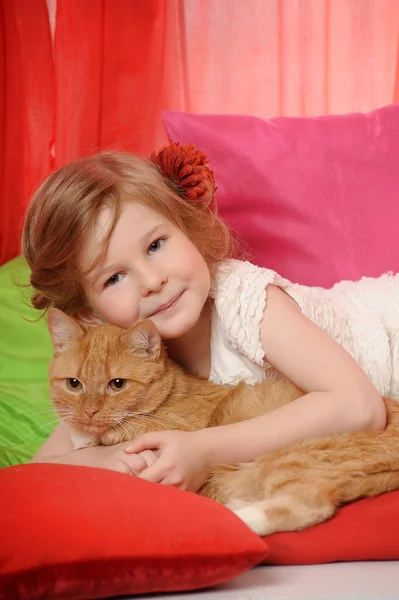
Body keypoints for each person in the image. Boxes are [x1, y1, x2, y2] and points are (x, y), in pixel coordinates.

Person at [22, 142, 394, 493]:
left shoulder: (249, 303)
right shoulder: (113, 355)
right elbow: (40, 469)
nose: (152, 282)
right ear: (88, 312)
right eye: (114, 277)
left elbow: (359, 408)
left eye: (155, 245)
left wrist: (204, 449)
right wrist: (104, 458)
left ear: (187, 227)